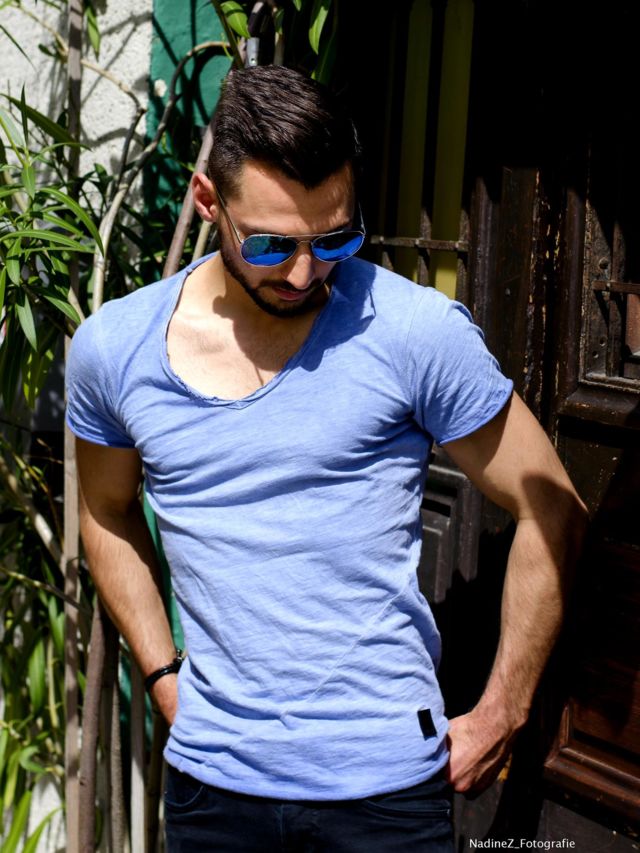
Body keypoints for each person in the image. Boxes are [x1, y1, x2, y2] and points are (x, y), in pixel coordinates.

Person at [66, 65, 587, 852]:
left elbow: (552, 505)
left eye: (335, 238)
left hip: (386, 796)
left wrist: (503, 710)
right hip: (214, 791)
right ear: (208, 202)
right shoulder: (115, 348)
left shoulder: (414, 331)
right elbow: (105, 511)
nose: (305, 272)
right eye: (272, 243)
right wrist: (164, 677)